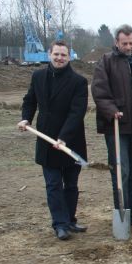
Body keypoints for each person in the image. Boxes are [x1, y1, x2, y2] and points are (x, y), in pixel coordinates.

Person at [18, 40, 88, 241]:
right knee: (53, 184)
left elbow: (77, 113)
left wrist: (64, 138)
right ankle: (60, 224)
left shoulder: (78, 82)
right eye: (56, 54)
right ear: (49, 54)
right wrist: (26, 118)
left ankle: (70, 219)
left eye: (63, 55)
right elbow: (29, 100)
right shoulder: (38, 76)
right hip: (46, 141)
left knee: (71, 184)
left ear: (69, 57)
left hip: (71, 141)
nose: (59, 58)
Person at [91, 24, 132, 227]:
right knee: (122, 172)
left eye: (131, 43)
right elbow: (99, 91)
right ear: (116, 43)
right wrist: (112, 111)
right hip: (117, 127)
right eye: (124, 43)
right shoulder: (106, 62)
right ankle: (122, 216)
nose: (128, 47)